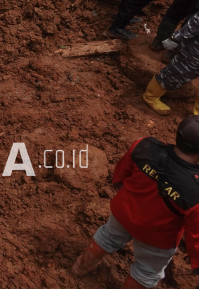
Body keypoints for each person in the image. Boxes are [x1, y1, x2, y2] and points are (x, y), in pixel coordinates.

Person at [71, 116, 199, 288]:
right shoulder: (195, 190)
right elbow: (196, 233)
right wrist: (197, 261)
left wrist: (120, 187)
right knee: (146, 271)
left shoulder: (144, 145)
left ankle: (79, 268)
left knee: (106, 237)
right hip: (157, 237)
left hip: (123, 213)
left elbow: (121, 173)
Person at [143, 9, 199, 116]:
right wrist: (176, 38)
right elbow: (195, 23)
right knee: (174, 74)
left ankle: (197, 116)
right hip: (193, 54)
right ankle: (151, 97)